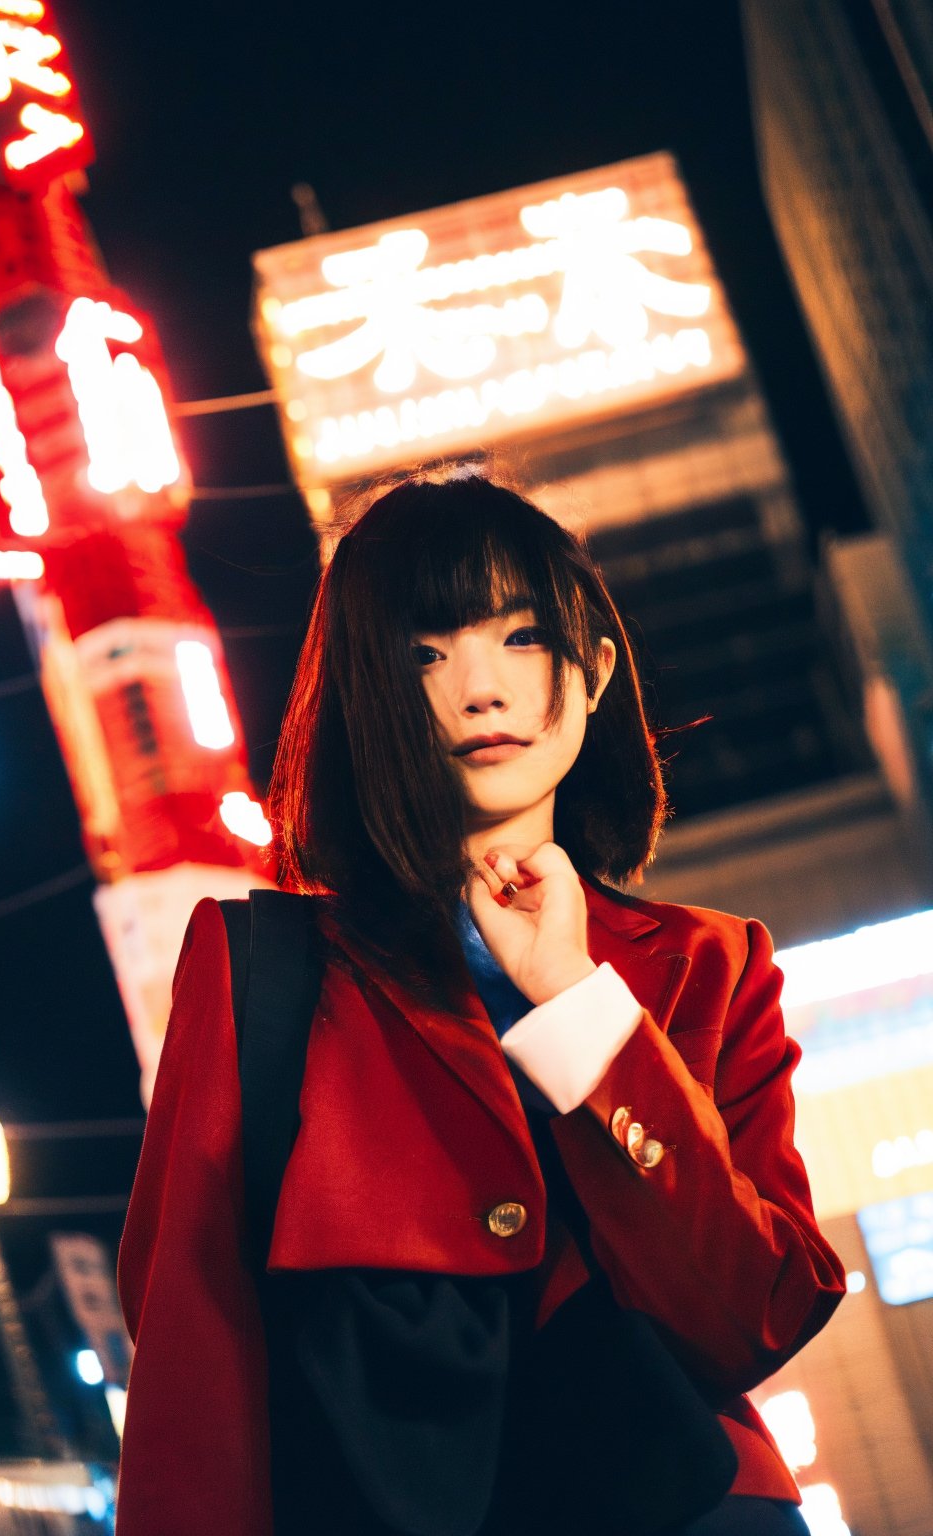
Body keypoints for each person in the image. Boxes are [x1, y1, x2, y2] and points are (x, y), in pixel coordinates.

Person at [115, 472, 845, 1536]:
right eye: (422, 653)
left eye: (520, 638)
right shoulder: (258, 972)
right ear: (365, 697)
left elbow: (755, 1320)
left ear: (593, 672)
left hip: (694, 1507)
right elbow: (194, 1340)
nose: (478, 690)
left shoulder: (707, 965)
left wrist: (576, 1005)